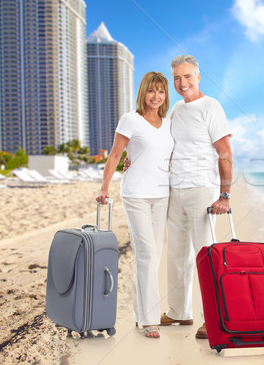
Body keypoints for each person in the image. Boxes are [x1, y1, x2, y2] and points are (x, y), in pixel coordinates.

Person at [96, 71, 174, 339]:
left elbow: (170, 156)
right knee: (146, 254)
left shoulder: (168, 123)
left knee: (153, 257)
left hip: (161, 194)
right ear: (143, 92)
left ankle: (140, 314)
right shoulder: (130, 119)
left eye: (161, 91)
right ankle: (150, 319)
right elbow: (116, 154)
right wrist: (104, 187)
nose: (156, 96)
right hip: (135, 193)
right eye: (151, 91)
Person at [160, 55, 233, 339]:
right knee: (177, 254)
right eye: (177, 78)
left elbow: (224, 152)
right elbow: (164, 143)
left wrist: (225, 194)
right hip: (175, 189)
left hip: (202, 189)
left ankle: (212, 318)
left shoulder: (211, 106)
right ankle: (179, 312)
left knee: (205, 255)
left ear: (198, 76)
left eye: (187, 76)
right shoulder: (177, 108)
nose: (182, 83)